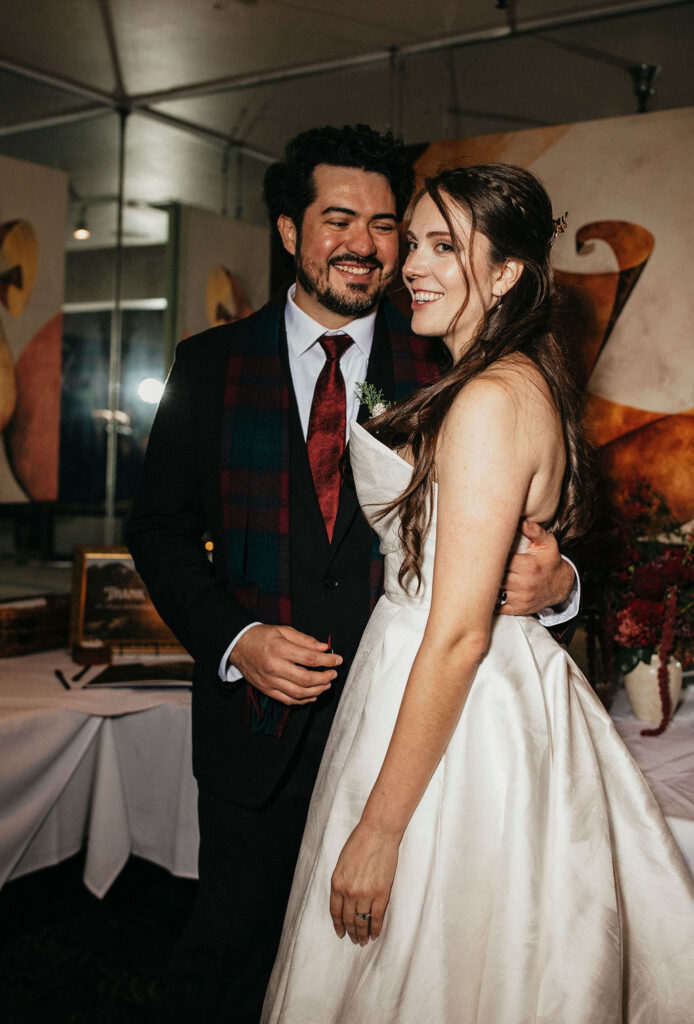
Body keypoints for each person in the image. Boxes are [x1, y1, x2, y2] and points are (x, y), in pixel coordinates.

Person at [126, 129, 578, 1024]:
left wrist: (557, 580)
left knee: (389, 974)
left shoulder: (446, 361)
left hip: (409, 737)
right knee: (226, 955)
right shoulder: (210, 365)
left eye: (387, 225)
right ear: (290, 231)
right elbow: (158, 529)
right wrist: (236, 639)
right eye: (340, 220)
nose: (369, 245)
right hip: (257, 726)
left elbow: (531, 527)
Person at [262, 164, 694, 1023]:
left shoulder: (492, 400)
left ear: (505, 273)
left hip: (460, 705)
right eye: (412, 243)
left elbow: (458, 634)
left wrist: (381, 831)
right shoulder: (505, 379)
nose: (411, 265)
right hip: (450, 681)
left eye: (444, 247)